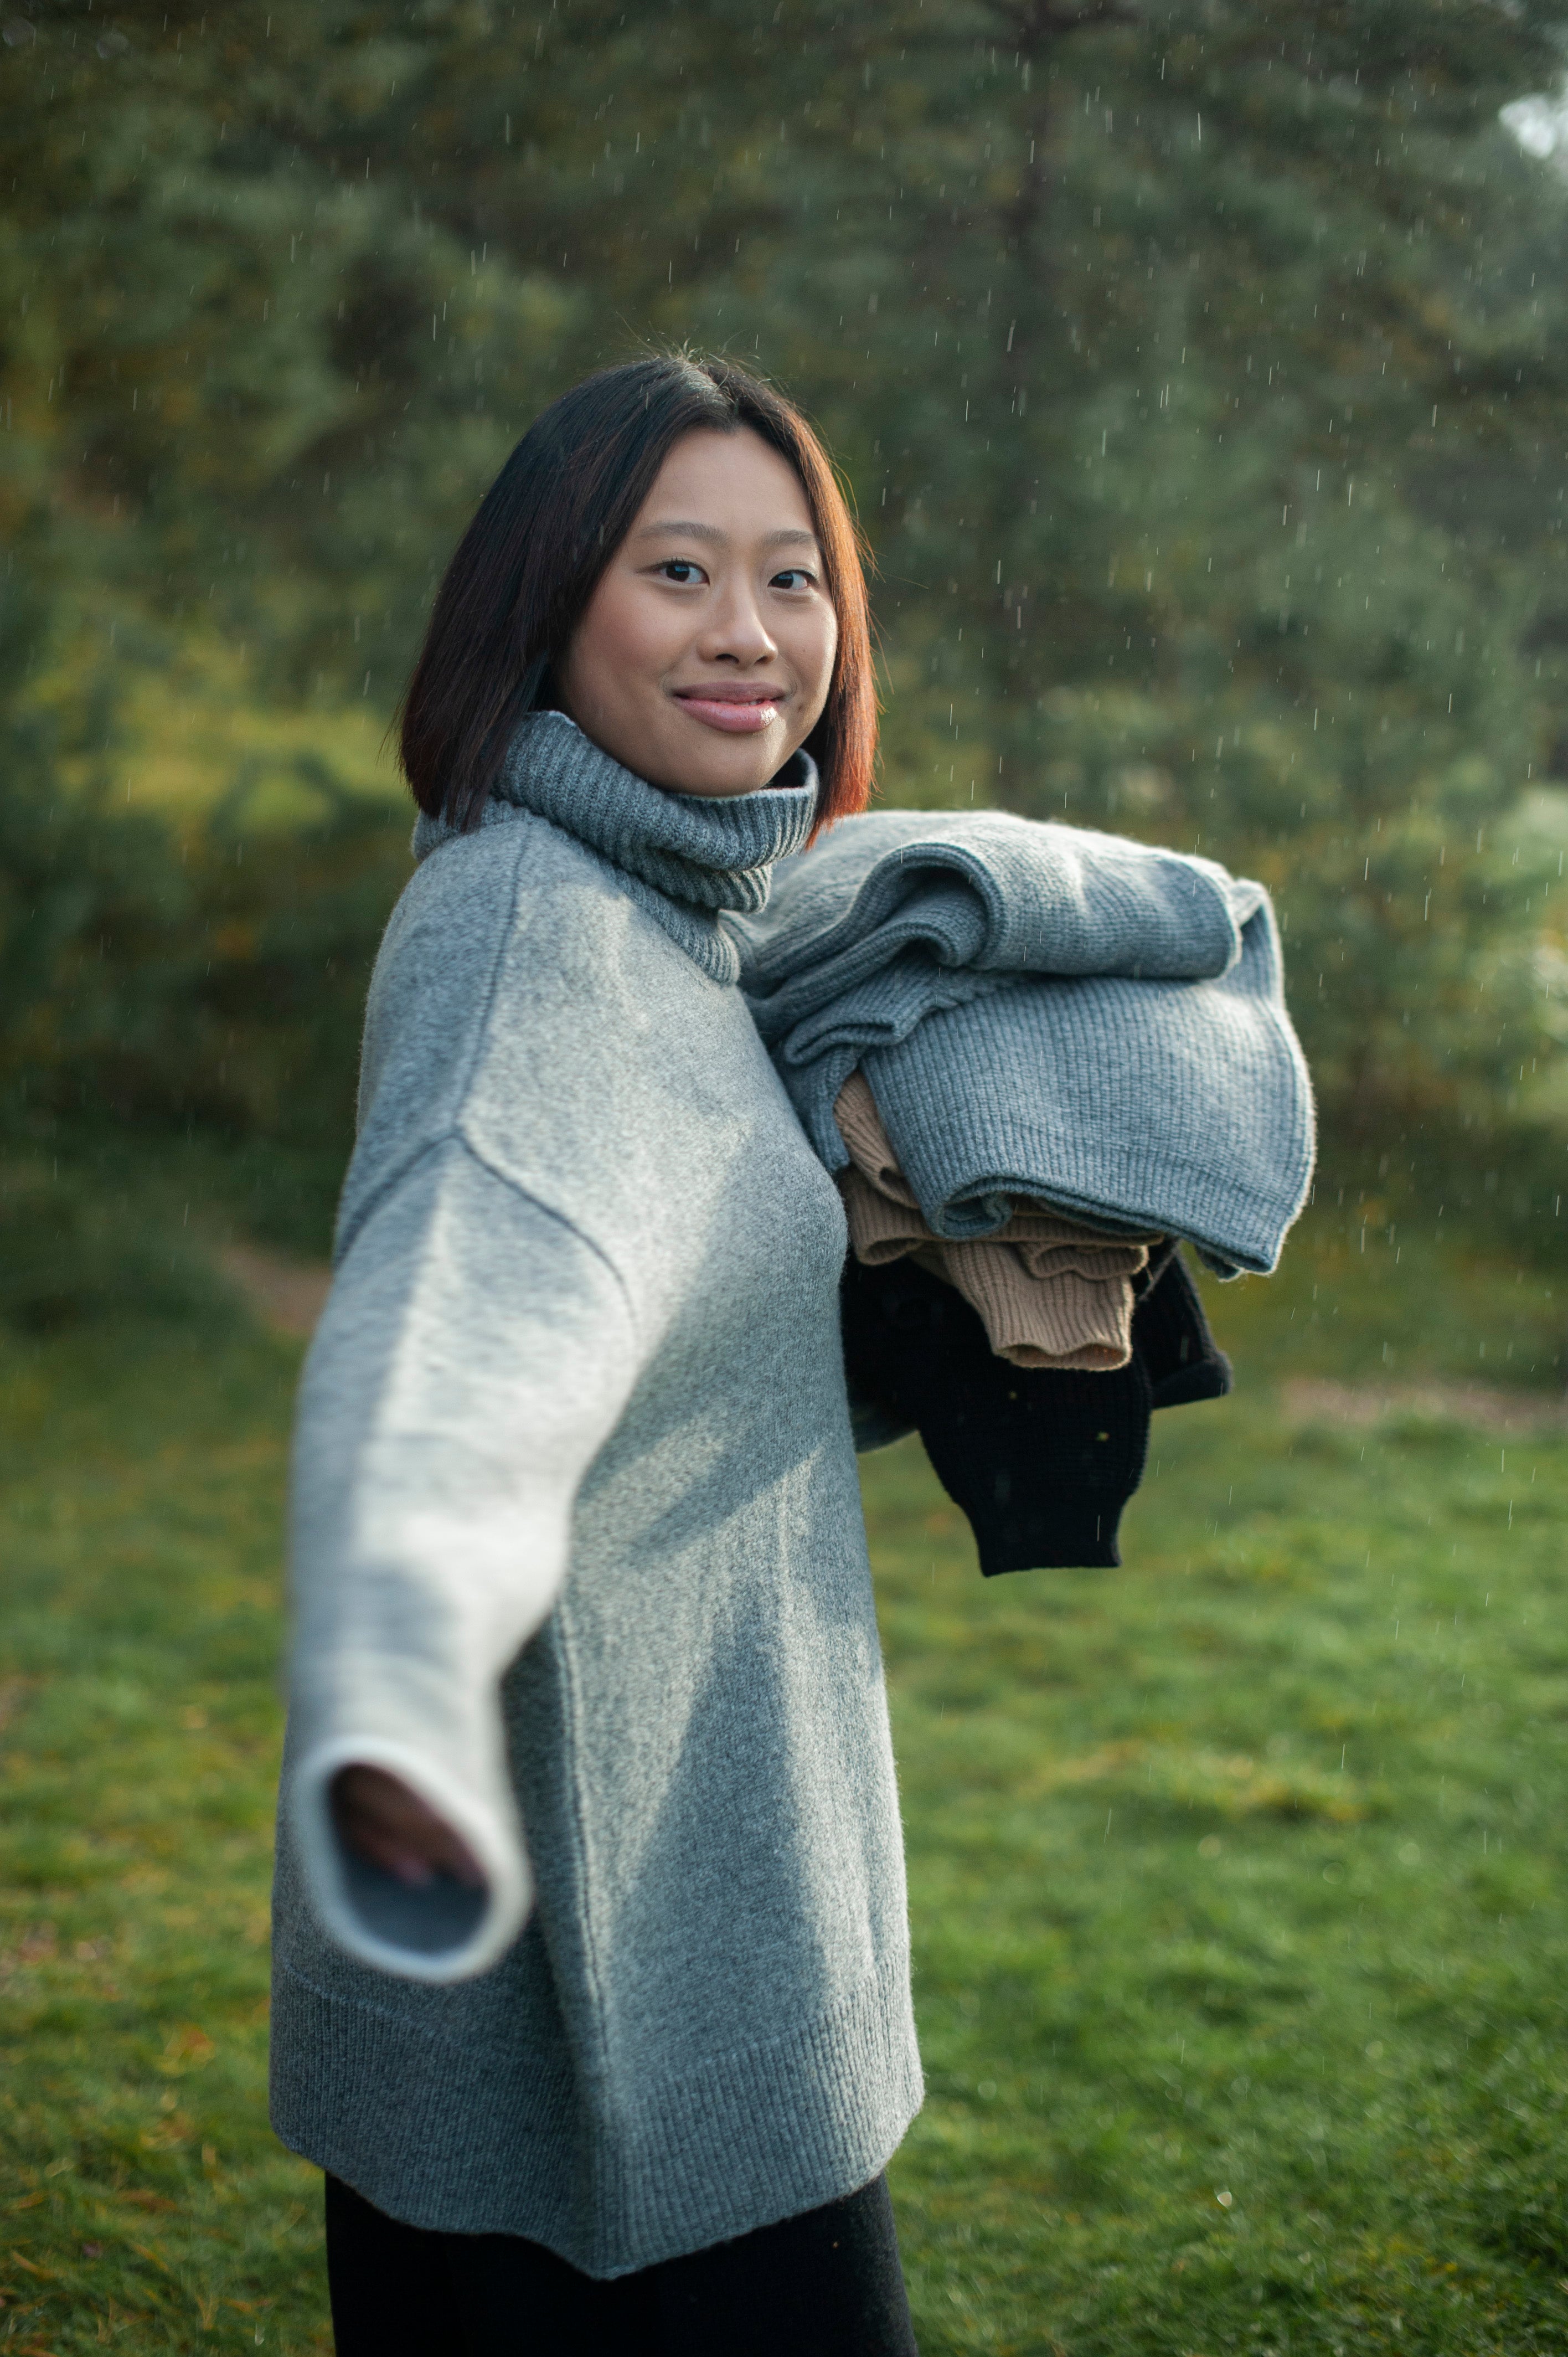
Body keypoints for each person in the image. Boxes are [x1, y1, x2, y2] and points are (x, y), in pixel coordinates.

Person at [268, 352, 924, 2355]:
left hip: (697, 1912)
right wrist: (401, 1643)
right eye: (679, 571)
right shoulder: (530, 935)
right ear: (546, 607)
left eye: (794, 577)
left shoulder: (679, 922)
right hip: (588, 2013)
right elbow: (459, 1319)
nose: (753, 634)